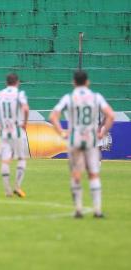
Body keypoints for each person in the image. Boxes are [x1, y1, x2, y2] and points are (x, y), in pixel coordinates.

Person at [49, 70, 114, 218]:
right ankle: (97, 211)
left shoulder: (69, 98)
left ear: (73, 82)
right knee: (93, 174)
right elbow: (111, 115)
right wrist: (102, 133)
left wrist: (62, 132)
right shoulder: (96, 97)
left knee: (76, 174)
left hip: (74, 139)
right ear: (87, 82)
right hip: (91, 139)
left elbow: (53, 116)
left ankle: (78, 210)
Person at [0, 73, 29, 198]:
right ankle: (17, 186)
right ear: (17, 82)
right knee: (21, 159)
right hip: (17, 131)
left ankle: (7, 191)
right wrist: (24, 123)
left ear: (6, 83)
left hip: (4, 132)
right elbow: (25, 109)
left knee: (5, 161)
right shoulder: (20, 94)